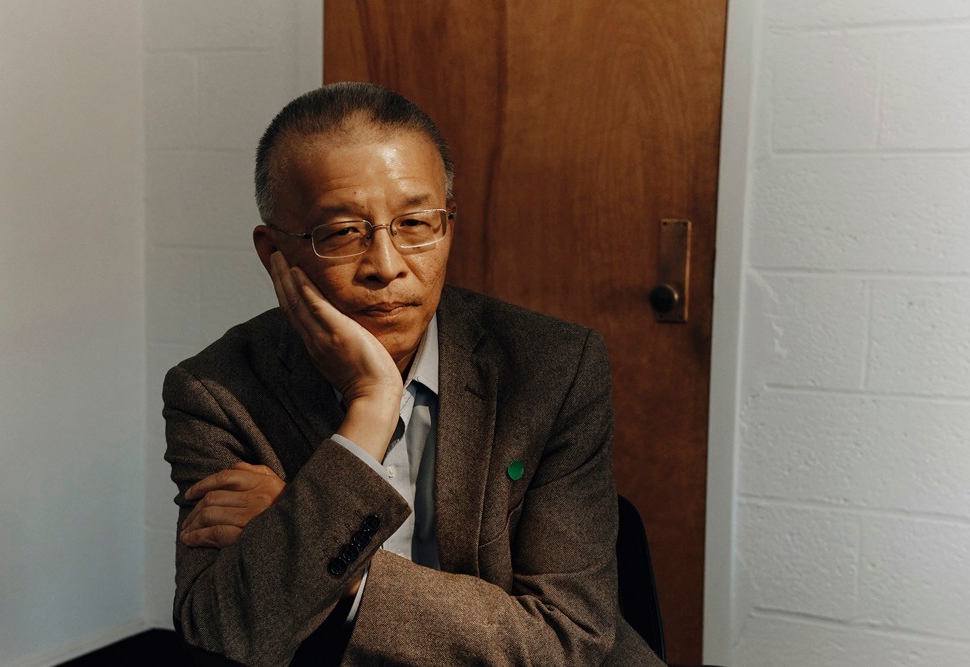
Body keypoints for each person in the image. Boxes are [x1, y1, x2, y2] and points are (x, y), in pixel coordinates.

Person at [163, 82, 664, 666]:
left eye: (416, 223)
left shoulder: (554, 366)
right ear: (272, 251)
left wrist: (336, 563)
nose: (386, 266)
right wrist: (372, 402)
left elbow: (567, 639)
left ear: (448, 224)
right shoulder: (215, 393)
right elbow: (224, 633)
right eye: (342, 232)